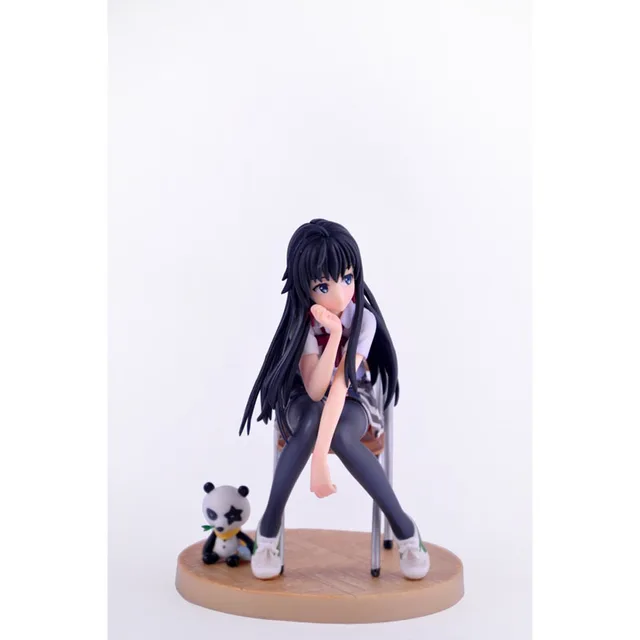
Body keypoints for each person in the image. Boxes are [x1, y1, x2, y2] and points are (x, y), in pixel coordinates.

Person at [239, 219, 429, 580]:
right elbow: (315, 389)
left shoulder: (365, 320)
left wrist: (320, 464)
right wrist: (334, 333)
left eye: (347, 278)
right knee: (311, 417)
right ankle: (270, 527)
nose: (340, 296)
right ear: (304, 287)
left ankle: (405, 528)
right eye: (323, 286)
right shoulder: (302, 324)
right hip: (302, 398)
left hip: (353, 396)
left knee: (341, 434)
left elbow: (340, 385)